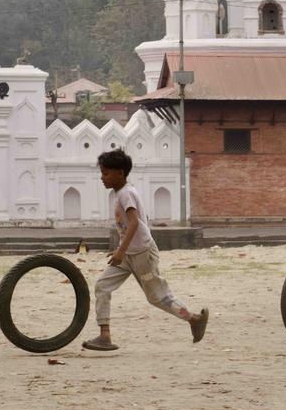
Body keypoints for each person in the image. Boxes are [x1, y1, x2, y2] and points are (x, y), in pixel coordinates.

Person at [82, 149, 207, 351]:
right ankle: (104, 336)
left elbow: (133, 223)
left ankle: (194, 319)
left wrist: (120, 251)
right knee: (102, 286)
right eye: (102, 173)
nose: (102, 178)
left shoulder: (127, 194)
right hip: (127, 255)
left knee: (157, 297)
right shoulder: (119, 193)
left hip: (142, 255)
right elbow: (126, 228)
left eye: (106, 173)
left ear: (120, 173)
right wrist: (120, 250)